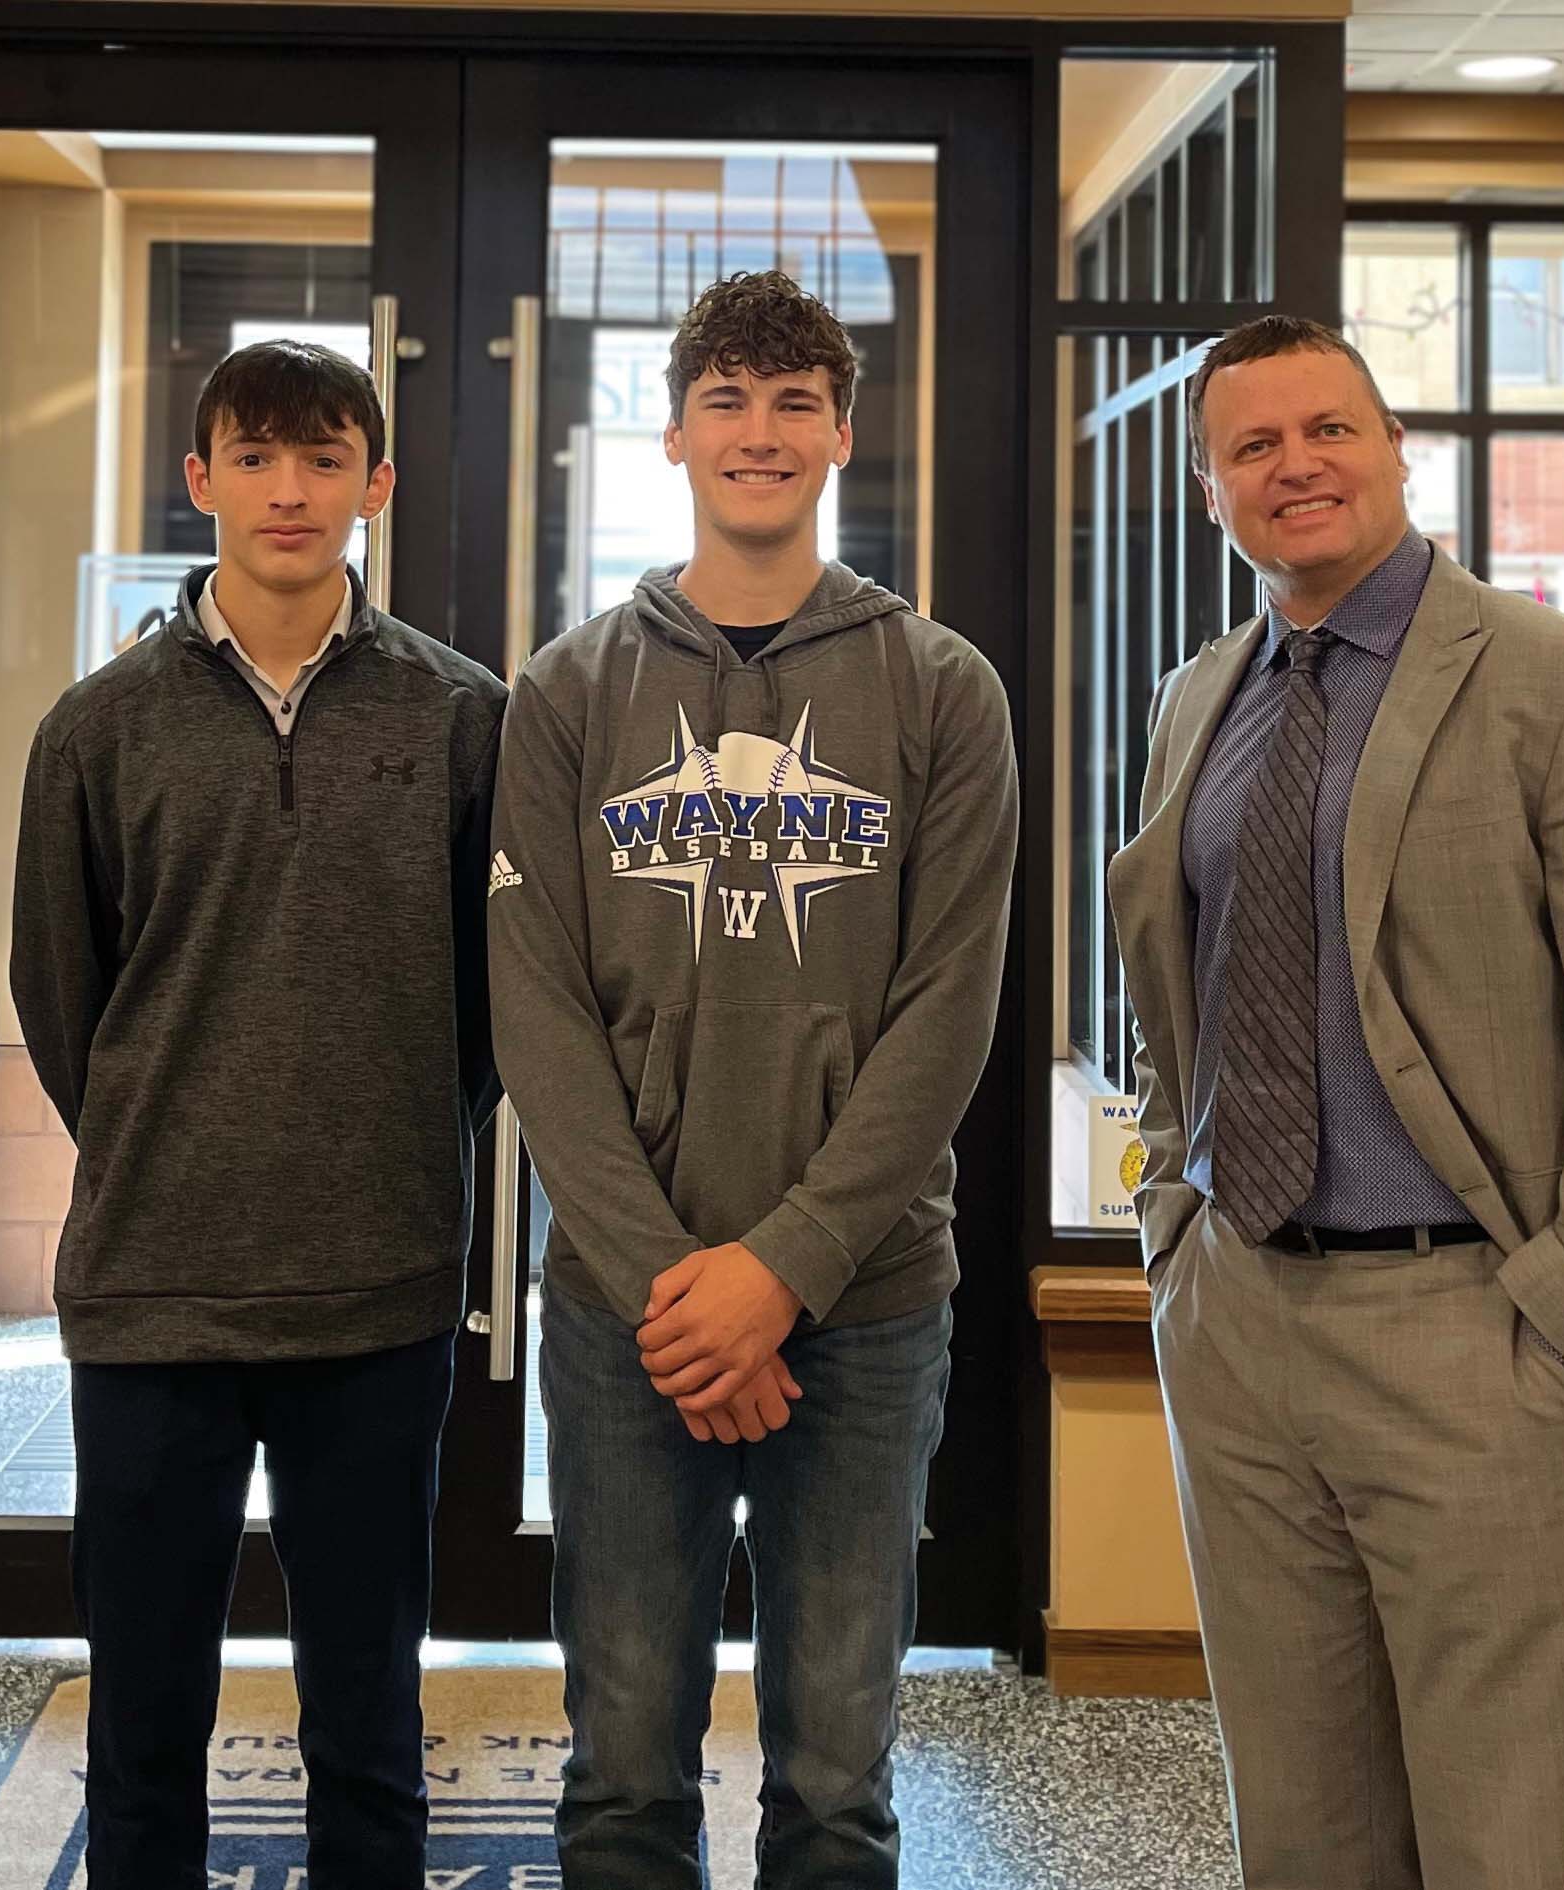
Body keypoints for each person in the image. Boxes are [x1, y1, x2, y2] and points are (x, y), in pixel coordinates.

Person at [1108, 312, 1564, 1889]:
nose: (1295, 465)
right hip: (1242, 1329)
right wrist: (1173, 1230)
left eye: (1328, 429)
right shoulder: (1201, 702)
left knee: (1513, 1841)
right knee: (1305, 1838)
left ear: (1396, 450)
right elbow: (1175, 995)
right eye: (1252, 445)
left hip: (1477, 1335)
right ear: (1210, 491)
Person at [489, 271, 1018, 1889]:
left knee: (839, 1779)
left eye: (796, 401)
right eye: (727, 398)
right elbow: (538, 1014)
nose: (762, 431)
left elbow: (947, 1013)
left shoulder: (943, 690)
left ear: (843, 434)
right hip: (623, 1312)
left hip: (860, 1307)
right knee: (623, 1765)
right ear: (674, 434)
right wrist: (680, 1286)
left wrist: (780, 1274)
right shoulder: (566, 694)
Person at [10, 338, 507, 1886]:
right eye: (256, 455)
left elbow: (492, 1006)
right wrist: (184, 1134)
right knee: (143, 1713)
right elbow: (61, 995)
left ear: (377, 484)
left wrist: (387, 1127)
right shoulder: (95, 727)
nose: (289, 490)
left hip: (380, 1285)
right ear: (201, 478)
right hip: (157, 1288)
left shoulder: (462, 713)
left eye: (323, 457)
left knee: (367, 1703)